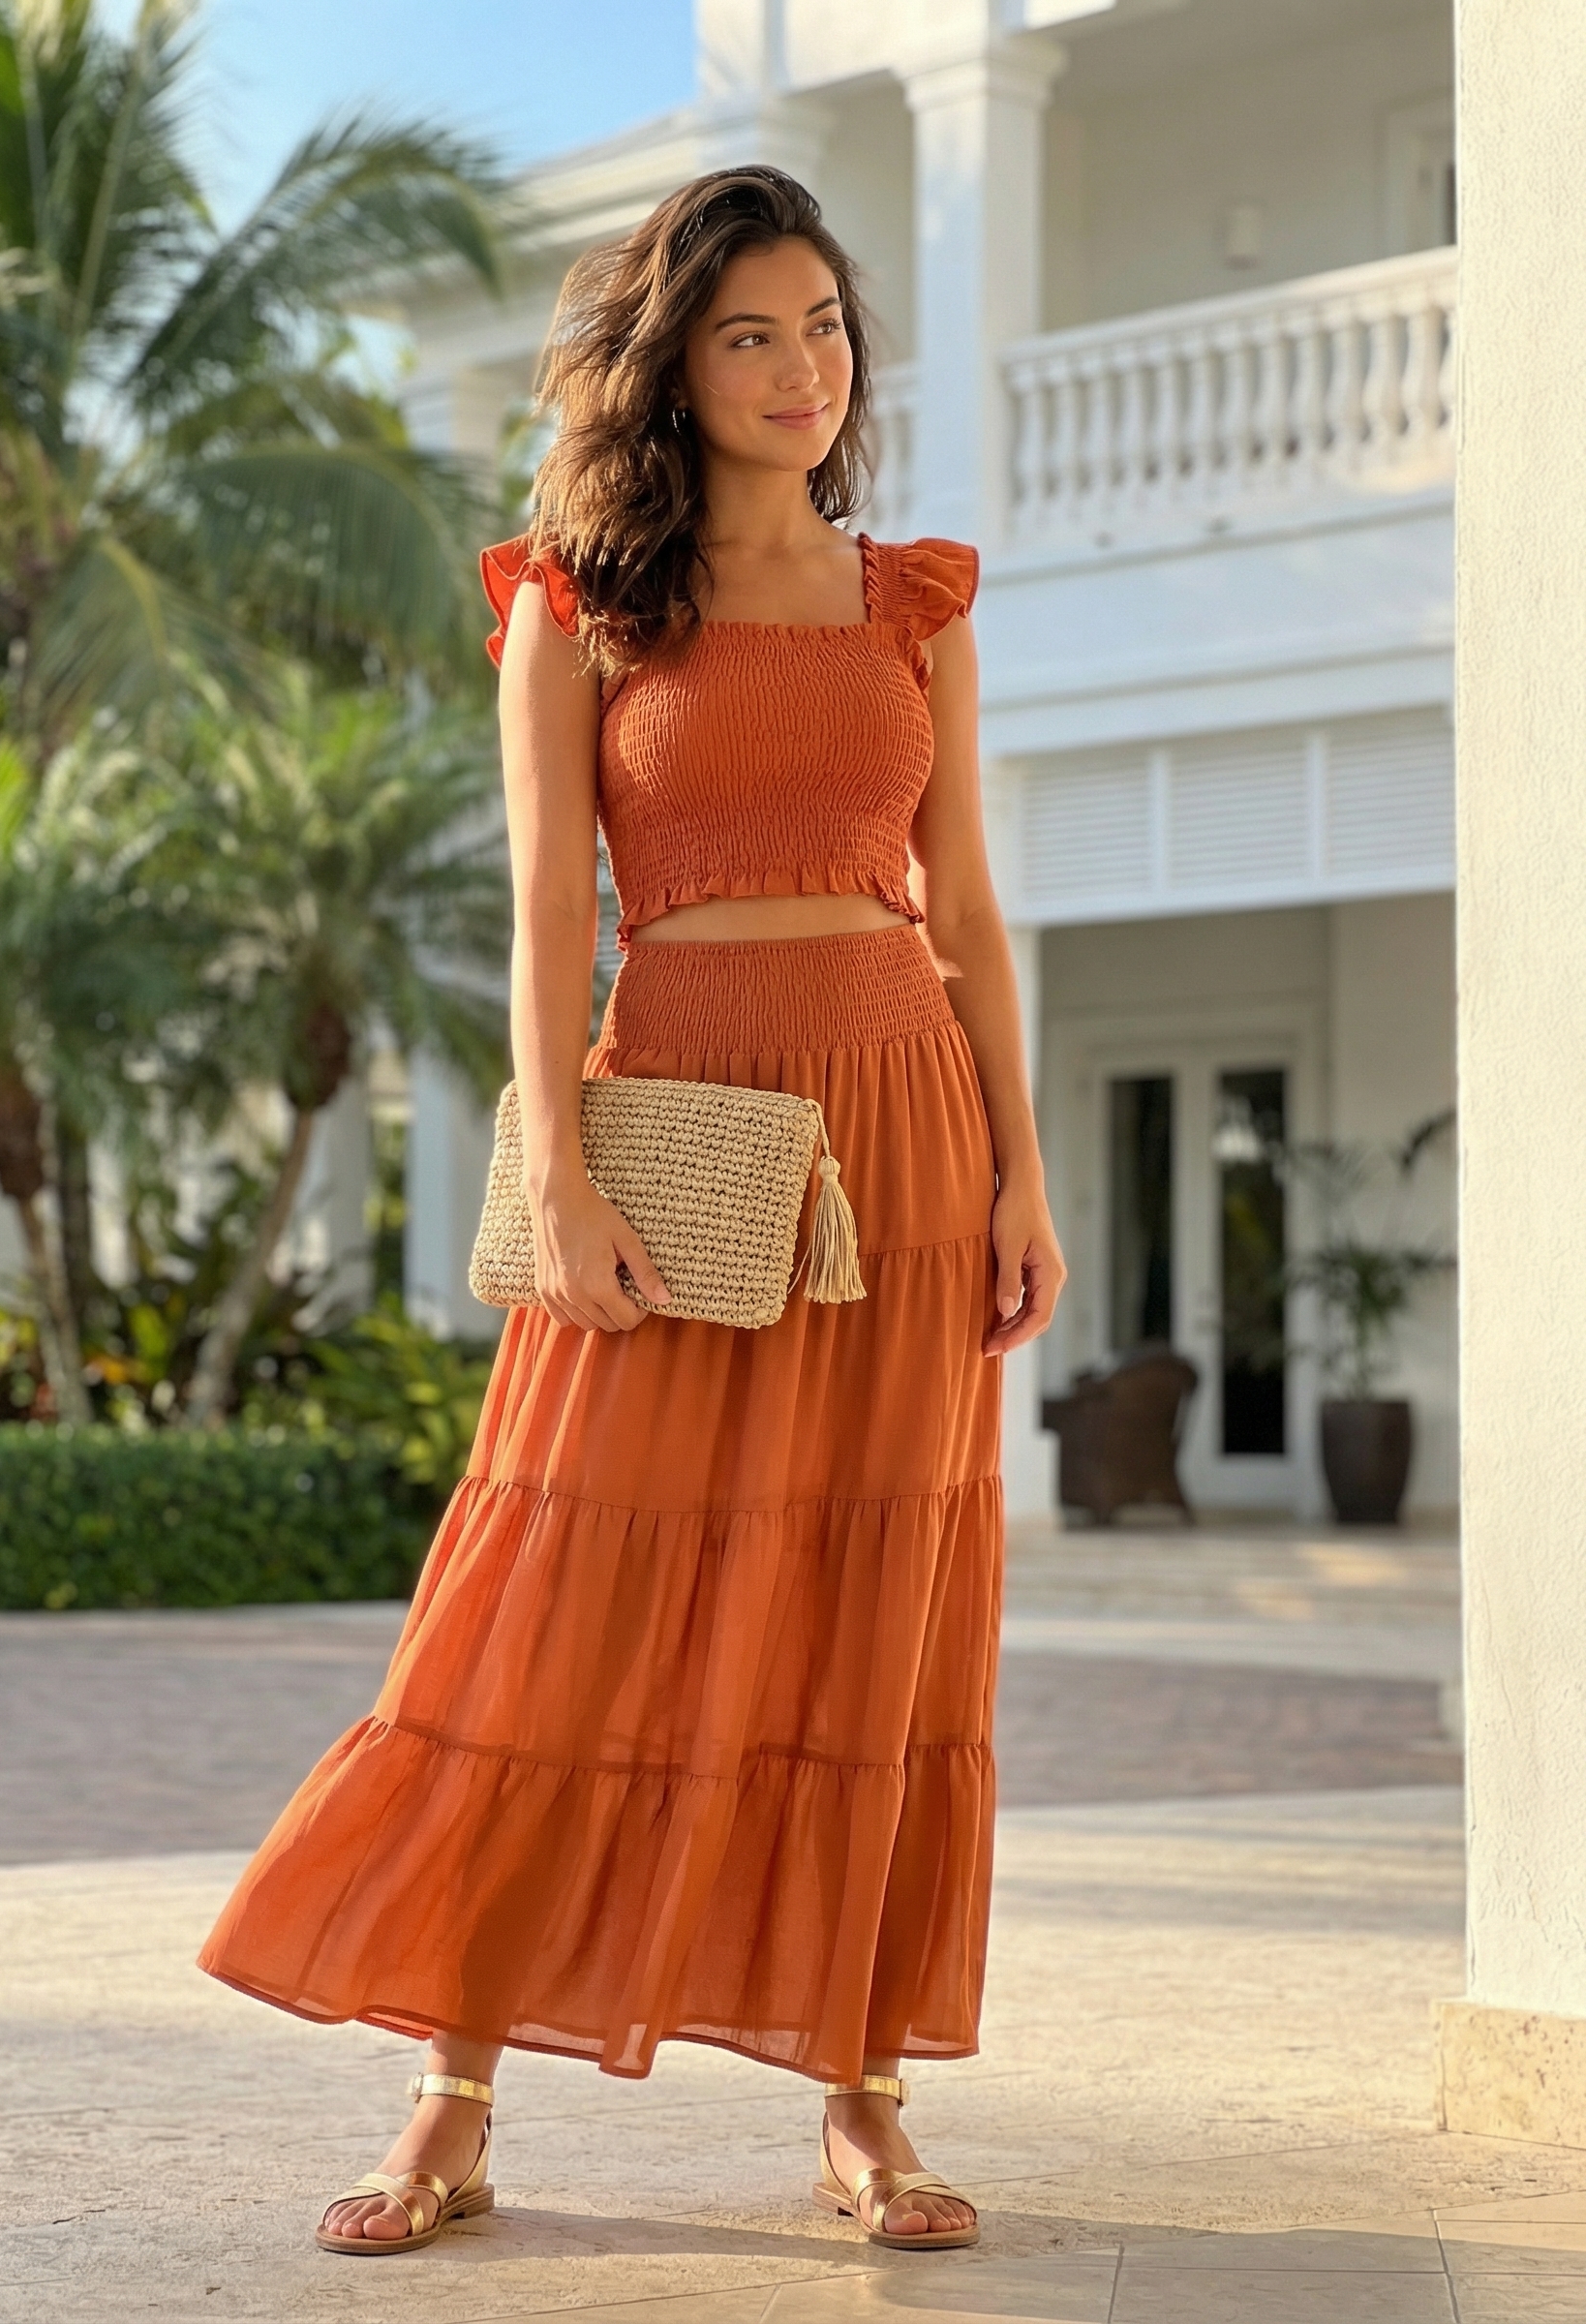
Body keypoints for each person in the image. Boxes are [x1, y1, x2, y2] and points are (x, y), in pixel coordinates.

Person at [198, 165, 1065, 2258]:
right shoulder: (575, 604)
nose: (799, 370)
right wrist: (559, 1166)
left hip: (902, 1120)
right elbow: (537, 923)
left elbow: (956, 906)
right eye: (750, 332)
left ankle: (861, 2101)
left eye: (826, 328)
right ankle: (450, 2089)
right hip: (673, 1112)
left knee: (880, 1611)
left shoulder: (910, 603)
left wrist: (1022, 1167)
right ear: (671, 366)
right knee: (560, 1601)